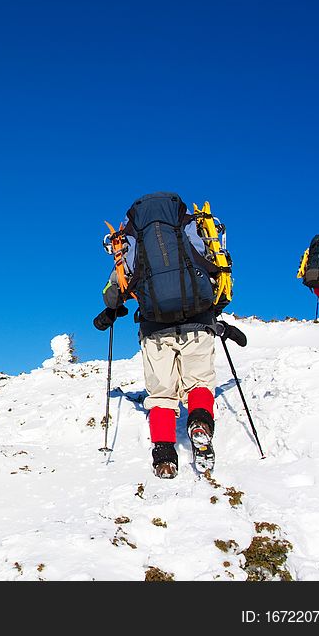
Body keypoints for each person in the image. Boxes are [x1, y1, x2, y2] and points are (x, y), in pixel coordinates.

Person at [93, 192, 244, 479]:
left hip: (154, 328)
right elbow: (215, 267)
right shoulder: (190, 227)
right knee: (199, 382)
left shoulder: (129, 238)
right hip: (198, 321)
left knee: (161, 393)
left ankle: (164, 454)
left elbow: (115, 290)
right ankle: (199, 423)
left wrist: (111, 308)